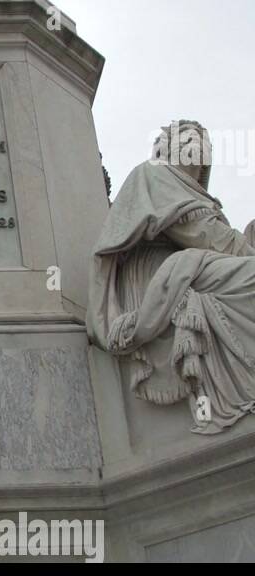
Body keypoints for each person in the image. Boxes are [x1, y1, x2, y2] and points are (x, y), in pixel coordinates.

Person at [88, 120, 255, 435]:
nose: (197, 143)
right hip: (163, 275)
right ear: (165, 146)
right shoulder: (154, 174)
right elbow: (204, 234)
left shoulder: (193, 195)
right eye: (189, 136)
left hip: (186, 267)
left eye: (202, 140)